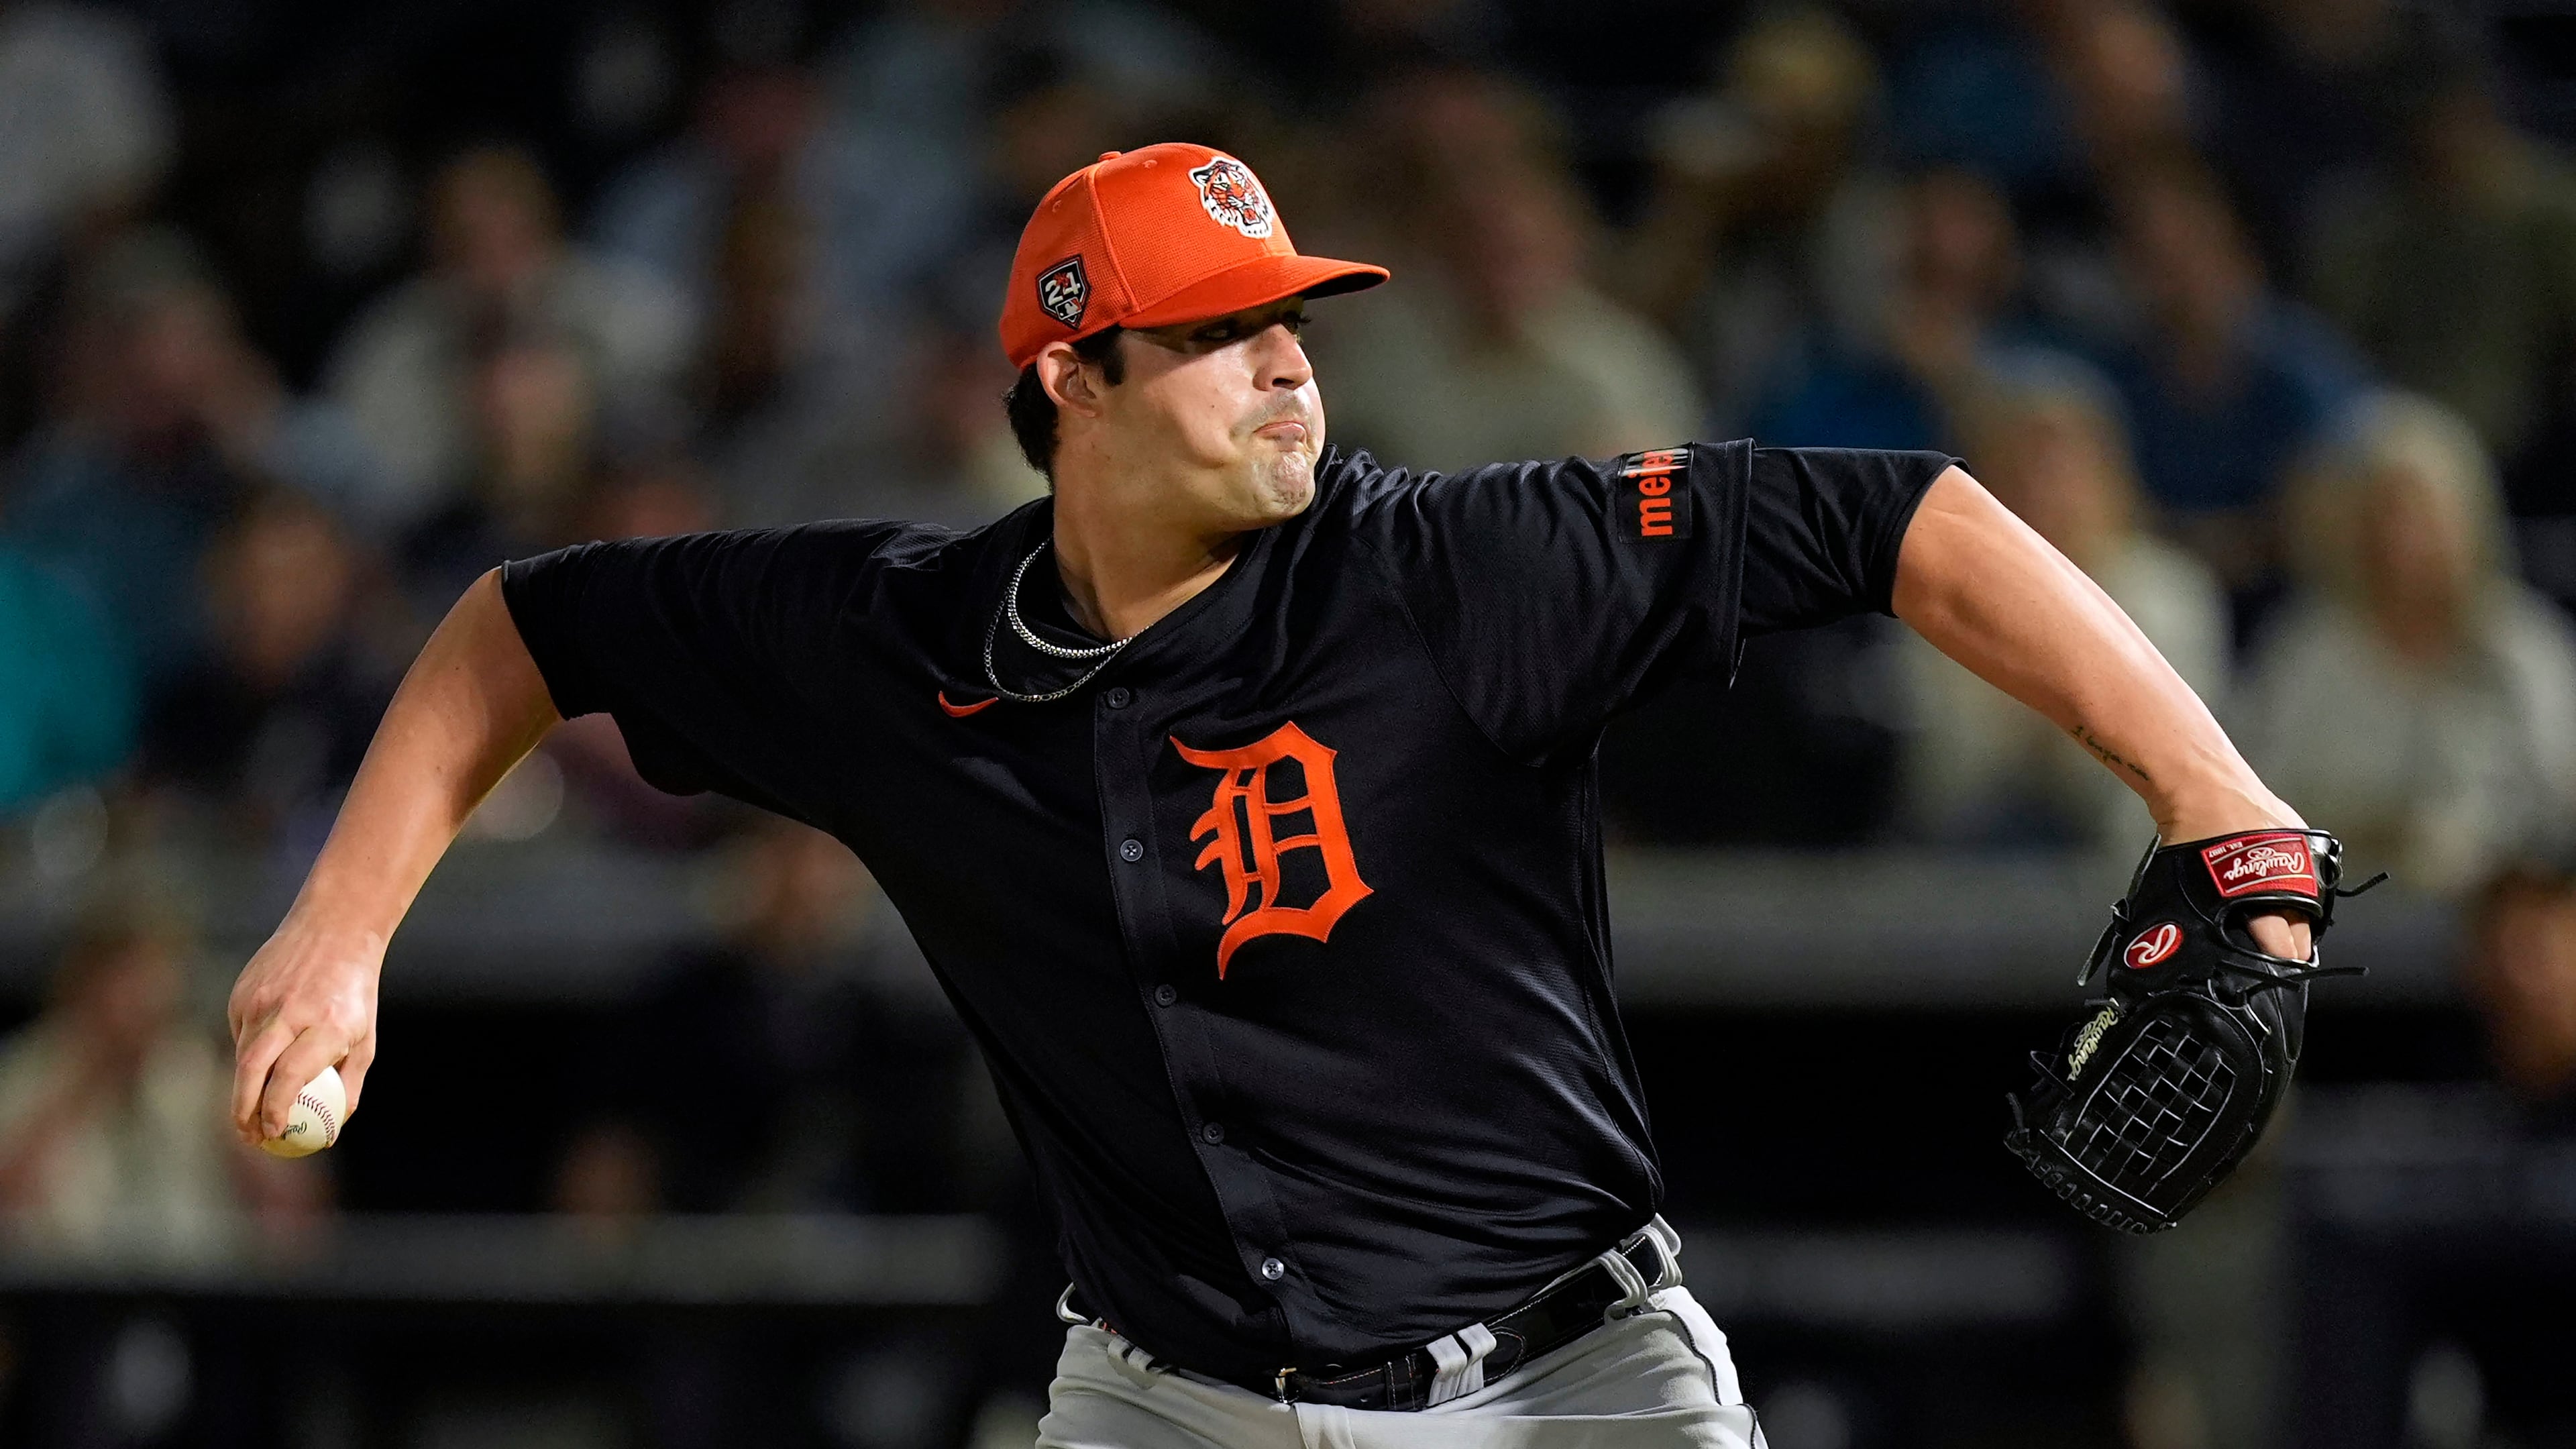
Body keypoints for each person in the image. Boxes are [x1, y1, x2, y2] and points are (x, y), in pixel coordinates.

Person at [227, 144, 2317, 1446]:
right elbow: (526, 624)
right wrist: (341, 931)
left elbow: (1895, 517)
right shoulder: (898, 644)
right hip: (1163, 1401)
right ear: (1070, 380)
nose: (1291, 364)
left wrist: (2217, 805)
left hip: (1569, 1389)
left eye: (1296, 321)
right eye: (1222, 334)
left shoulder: (1450, 573)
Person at [2237, 392, 2576, 898]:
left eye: (2423, 516)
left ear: (2469, 521)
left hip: (2500, 930)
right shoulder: (2307, 652)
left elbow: (2561, 808)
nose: (2402, 541)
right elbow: (2254, 812)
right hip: (2330, 923)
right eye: (2383, 516)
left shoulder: (2525, 652)